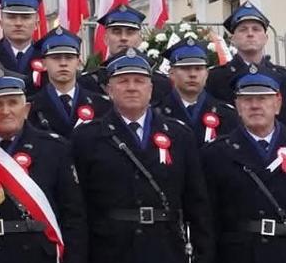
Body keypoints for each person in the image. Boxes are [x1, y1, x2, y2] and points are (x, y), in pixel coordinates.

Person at [70, 50, 211, 263]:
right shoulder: (87, 137)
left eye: (139, 81)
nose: (132, 87)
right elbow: (77, 208)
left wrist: (203, 254)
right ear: (109, 90)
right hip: (109, 249)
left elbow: (197, 203)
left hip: (165, 248)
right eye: (123, 81)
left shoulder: (179, 135)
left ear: (151, 89)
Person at [201, 73, 286, 263]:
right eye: (247, 99)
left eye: (263, 98)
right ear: (237, 105)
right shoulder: (216, 153)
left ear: (277, 103)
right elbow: (208, 221)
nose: (255, 105)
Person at [0, 75, 88, 263]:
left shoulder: (54, 149)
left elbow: (73, 216)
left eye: (13, 103)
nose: (5, 111)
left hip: (38, 254)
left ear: (26, 109)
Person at [206, 3, 286, 134]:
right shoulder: (215, 79)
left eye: (256, 29)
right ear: (232, 39)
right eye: (243, 29)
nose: (250, 34)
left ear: (266, 38)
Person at [88, 4, 175, 110]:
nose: (123, 38)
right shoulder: (89, 83)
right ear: (105, 39)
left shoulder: (161, 83)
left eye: (130, 32)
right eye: (117, 32)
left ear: (140, 39)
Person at [27, 27, 109, 138]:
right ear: (44, 64)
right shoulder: (31, 107)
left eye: (69, 57)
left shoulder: (102, 105)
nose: (63, 63)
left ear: (78, 62)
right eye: (56, 58)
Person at [165, 39, 238, 143]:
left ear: (207, 74)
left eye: (198, 68)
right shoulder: (158, 113)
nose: (192, 74)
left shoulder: (227, 115)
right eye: (185, 68)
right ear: (171, 73)